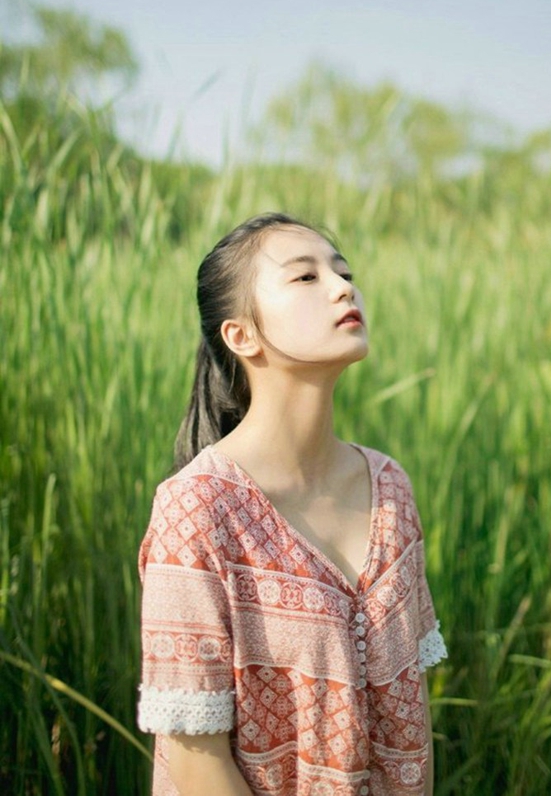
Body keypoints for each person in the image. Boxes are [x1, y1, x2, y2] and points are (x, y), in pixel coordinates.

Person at [137, 212, 448, 796]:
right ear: (241, 335)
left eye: (344, 271)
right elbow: (194, 757)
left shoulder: (391, 490)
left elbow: (414, 716)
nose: (343, 287)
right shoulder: (197, 510)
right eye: (305, 278)